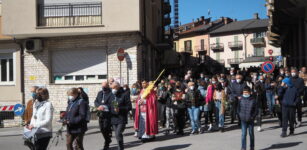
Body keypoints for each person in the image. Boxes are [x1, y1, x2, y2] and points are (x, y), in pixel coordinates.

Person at [110, 81, 132, 150]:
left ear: (117, 87)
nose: (112, 89)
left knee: (118, 133)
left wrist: (119, 109)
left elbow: (129, 107)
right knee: (117, 135)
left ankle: (120, 148)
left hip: (121, 118)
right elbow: (108, 104)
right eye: (112, 88)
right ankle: (120, 147)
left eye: (114, 88)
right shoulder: (111, 95)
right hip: (113, 118)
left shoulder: (124, 94)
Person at [94, 81, 112, 150]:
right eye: (102, 86)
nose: (103, 87)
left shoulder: (111, 93)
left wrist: (104, 107)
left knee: (106, 128)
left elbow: (112, 103)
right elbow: (96, 101)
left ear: (108, 86)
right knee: (102, 129)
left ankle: (106, 144)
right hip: (100, 114)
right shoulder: (100, 93)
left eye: (105, 86)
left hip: (108, 114)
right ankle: (108, 139)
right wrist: (98, 106)